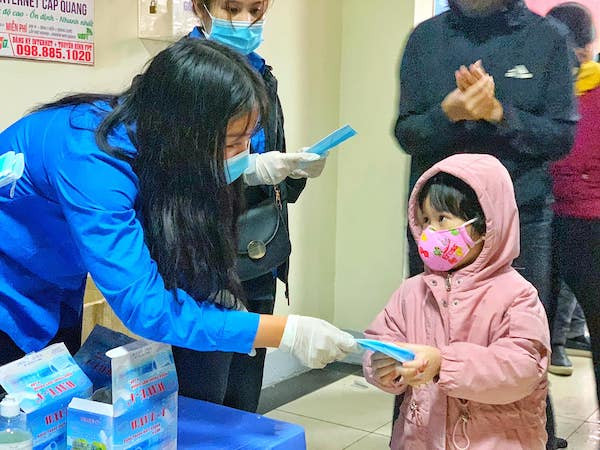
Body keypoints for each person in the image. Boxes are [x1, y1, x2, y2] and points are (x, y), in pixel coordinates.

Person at [0, 39, 356, 381]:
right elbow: (147, 309)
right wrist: (286, 332)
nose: (244, 154)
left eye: (248, 140)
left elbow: (165, 203)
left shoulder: (150, 134)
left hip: (50, 278)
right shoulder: (92, 164)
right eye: (233, 144)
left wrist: (253, 170)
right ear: (186, 132)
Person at [393, 1, 577, 447]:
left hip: (520, 224)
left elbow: (561, 137)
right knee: (424, 334)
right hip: (438, 225)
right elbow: (407, 133)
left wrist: (498, 113)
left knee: (519, 346)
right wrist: (448, 113)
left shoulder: (547, 39)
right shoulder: (425, 39)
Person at [170, 0, 330, 413]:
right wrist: (252, 169)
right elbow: (173, 178)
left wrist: (294, 169)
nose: (244, 21)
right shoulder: (181, 74)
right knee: (204, 400)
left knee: (243, 401)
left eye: (255, 10)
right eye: (232, 8)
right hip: (203, 259)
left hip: (258, 253)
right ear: (200, 7)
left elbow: (280, 185)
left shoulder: (263, 76)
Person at [363, 154, 550, 449]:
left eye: (442, 219)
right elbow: (381, 339)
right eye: (424, 220)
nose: (429, 232)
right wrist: (382, 367)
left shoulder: (517, 295)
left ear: (485, 224)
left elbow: (522, 369)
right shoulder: (411, 292)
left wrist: (444, 364)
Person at [547, 0, 600, 408]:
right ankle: (537, 430)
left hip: (589, 225)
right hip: (542, 221)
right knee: (528, 334)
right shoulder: (543, 91)